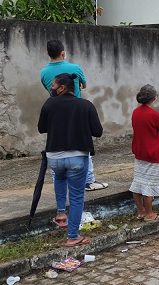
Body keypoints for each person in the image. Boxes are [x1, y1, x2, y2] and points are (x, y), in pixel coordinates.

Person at [37, 73, 103, 247]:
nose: (51, 88)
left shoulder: (49, 103)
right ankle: (73, 236)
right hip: (77, 157)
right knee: (76, 197)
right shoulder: (86, 105)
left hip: (54, 157)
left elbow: (41, 128)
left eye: (53, 85)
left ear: (62, 88)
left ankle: (60, 214)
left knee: (59, 179)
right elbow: (98, 131)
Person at [39, 39, 108, 192]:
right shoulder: (74, 68)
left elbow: (50, 90)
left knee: (56, 147)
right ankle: (88, 181)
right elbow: (84, 84)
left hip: (56, 112)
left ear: (47, 53)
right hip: (76, 110)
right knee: (83, 145)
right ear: (63, 53)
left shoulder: (43, 72)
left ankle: (60, 184)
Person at [129, 84, 159, 221]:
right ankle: (150, 214)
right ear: (154, 98)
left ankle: (141, 211)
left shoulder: (135, 112)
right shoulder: (155, 115)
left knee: (138, 182)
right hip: (153, 153)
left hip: (140, 152)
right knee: (149, 186)